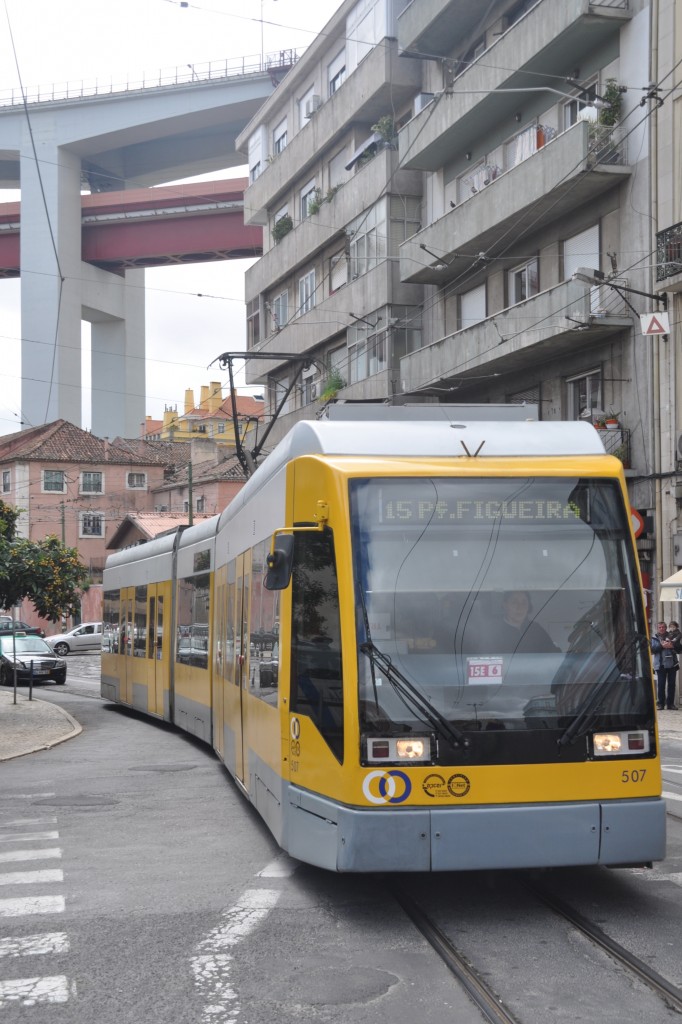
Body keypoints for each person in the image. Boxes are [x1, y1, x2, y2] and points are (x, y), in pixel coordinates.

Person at [492, 590, 559, 655]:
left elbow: (554, 654)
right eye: (514, 602)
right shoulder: (495, 632)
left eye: (524, 602)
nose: (520, 607)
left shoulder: (536, 629)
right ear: (505, 605)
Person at [651, 621, 681, 710]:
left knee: (671, 684)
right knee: (661, 685)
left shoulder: (673, 636)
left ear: (666, 628)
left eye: (663, 627)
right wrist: (662, 646)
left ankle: (670, 704)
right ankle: (660, 704)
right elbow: (652, 650)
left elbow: (680, 649)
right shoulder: (654, 638)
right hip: (660, 665)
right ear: (657, 628)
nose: (661, 629)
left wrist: (672, 646)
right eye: (660, 627)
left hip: (672, 664)